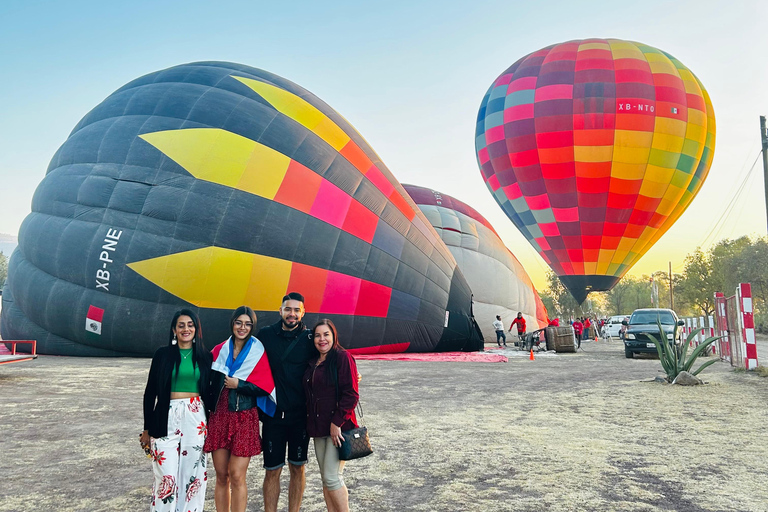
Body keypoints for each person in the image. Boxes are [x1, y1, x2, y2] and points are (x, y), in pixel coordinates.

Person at [205, 306, 276, 512]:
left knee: (236, 474)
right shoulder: (219, 350)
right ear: (232, 323)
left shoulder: (257, 351)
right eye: (239, 323)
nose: (242, 328)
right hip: (220, 416)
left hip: (244, 417)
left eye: (247, 324)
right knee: (221, 475)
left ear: (252, 326)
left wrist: (240, 385)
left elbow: (265, 386)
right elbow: (206, 380)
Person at [141, 309, 212, 512]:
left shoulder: (205, 357)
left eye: (190, 325)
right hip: (165, 416)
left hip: (195, 417)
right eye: (181, 325)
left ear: (196, 329)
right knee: (167, 476)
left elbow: (211, 393)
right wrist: (147, 429)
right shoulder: (162, 355)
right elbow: (150, 393)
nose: (186, 329)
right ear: (174, 329)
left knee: (192, 475)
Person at [257, 292, 316, 512]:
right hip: (274, 416)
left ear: (303, 312)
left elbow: (330, 358)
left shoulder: (310, 339)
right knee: (272, 470)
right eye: (288, 309)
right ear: (280, 310)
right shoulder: (266, 335)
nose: (292, 314)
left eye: (296, 310)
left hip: (300, 416)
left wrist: (351, 376)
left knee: (297, 468)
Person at [303, 319, 359, 512]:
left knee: (332, 477)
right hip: (319, 428)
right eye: (318, 335)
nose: (322, 339)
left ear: (334, 336)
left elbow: (351, 394)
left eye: (326, 334)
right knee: (326, 479)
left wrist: (337, 422)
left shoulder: (342, 357)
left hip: (338, 428)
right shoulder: (313, 362)